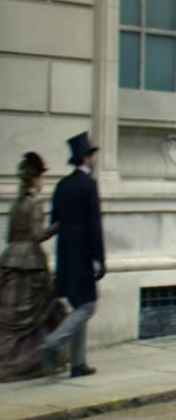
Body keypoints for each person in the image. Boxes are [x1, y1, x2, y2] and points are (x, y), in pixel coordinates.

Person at [41, 132, 106, 379]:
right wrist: (100, 257)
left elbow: (54, 221)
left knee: (79, 304)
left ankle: (78, 363)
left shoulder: (62, 185)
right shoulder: (88, 186)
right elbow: (94, 224)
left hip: (65, 253)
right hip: (82, 254)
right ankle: (53, 343)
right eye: (92, 156)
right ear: (86, 159)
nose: (94, 160)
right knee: (87, 307)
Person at [0, 153, 69, 381]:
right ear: (36, 179)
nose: (43, 182)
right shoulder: (35, 204)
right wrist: (59, 225)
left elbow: (10, 236)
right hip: (31, 264)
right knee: (39, 315)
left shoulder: (16, 204)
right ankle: (34, 362)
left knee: (10, 318)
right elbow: (39, 235)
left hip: (11, 261)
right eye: (42, 178)